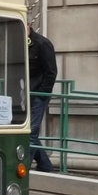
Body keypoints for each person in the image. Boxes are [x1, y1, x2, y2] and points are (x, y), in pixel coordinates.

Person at [27, 24, 58, 172]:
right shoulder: (21, 42)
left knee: (31, 132)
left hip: (38, 94)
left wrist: (42, 92)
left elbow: (51, 72)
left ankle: (24, 167)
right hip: (26, 93)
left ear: (29, 25)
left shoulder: (42, 44)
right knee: (29, 131)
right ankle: (45, 165)